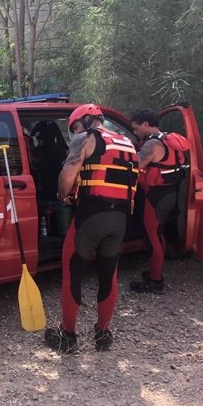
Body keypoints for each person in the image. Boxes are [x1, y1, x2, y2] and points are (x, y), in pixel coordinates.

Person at [44, 104, 139, 354]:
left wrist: (63, 196)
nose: (74, 132)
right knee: (108, 275)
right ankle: (103, 333)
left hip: (91, 215)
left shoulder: (85, 138)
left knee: (72, 271)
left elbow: (67, 177)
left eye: (75, 126)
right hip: (120, 218)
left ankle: (68, 337)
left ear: (87, 121)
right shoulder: (127, 142)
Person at [128, 108, 189, 294]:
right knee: (157, 232)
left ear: (146, 124)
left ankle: (155, 281)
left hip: (154, 195)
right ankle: (156, 272)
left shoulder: (151, 145)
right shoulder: (166, 140)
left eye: (136, 128)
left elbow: (134, 166)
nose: (135, 131)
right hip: (167, 193)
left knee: (150, 236)